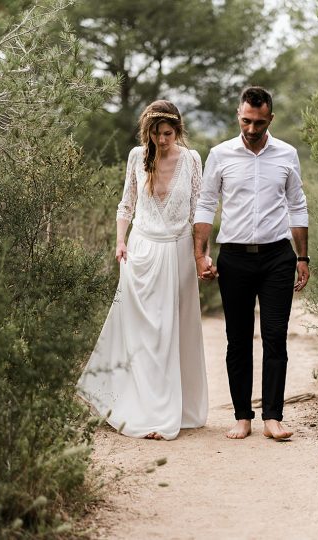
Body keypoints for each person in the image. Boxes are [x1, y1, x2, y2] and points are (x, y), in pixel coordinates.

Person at [77, 100, 208, 441]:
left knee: (171, 332)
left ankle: (175, 410)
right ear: (147, 131)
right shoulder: (137, 157)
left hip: (178, 252)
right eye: (156, 133)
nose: (162, 140)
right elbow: (126, 204)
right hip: (142, 252)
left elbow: (199, 212)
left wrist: (201, 254)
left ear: (177, 131)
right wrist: (120, 241)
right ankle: (147, 411)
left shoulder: (192, 160)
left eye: (168, 133)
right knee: (144, 333)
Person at [193, 86, 310, 441]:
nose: (252, 128)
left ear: (270, 119)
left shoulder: (287, 154)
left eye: (259, 122)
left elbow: (297, 205)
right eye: (246, 120)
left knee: (275, 337)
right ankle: (242, 415)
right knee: (237, 339)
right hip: (234, 258)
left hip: (277, 255)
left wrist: (302, 256)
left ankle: (273, 417)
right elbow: (205, 203)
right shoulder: (220, 154)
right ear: (238, 116)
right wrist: (201, 253)